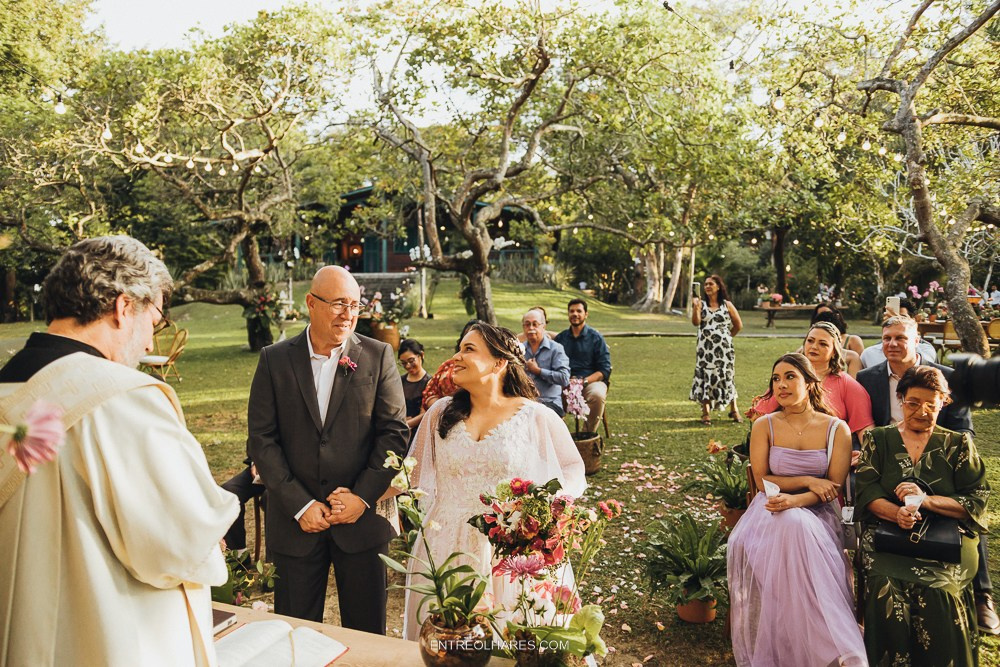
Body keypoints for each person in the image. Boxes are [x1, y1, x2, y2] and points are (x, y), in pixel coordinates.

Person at [0, 236, 238, 665]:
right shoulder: (121, 399)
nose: (150, 344)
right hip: (104, 642)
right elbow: (180, 543)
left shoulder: (8, 391)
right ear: (124, 307)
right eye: (155, 322)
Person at [247, 266, 408, 632]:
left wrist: (362, 497)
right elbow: (261, 438)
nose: (348, 314)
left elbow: (393, 434)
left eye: (355, 305)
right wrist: (300, 504)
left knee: (367, 635)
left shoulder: (378, 356)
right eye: (338, 304)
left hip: (362, 523)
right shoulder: (274, 360)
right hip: (296, 523)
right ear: (311, 303)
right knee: (296, 634)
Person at [403, 322, 586, 640]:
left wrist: (543, 512)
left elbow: (572, 470)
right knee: (447, 644)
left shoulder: (536, 417)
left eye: (468, 349)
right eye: (458, 348)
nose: (456, 357)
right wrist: (359, 496)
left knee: (514, 639)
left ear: (500, 362)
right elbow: (410, 473)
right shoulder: (440, 412)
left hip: (510, 549)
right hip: (446, 543)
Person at [856, 314, 997, 635]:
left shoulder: (948, 378)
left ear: (917, 341)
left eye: (900, 338)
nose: (892, 344)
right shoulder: (867, 378)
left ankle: (982, 597)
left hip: (939, 464)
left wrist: (929, 454)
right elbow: (862, 424)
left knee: (966, 513)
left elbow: (964, 431)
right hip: (886, 460)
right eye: (886, 338)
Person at [727, 353, 866, 667]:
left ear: (809, 381)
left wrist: (798, 500)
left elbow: (831, 487)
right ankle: (832, 649)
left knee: (797, 524)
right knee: (790, 522)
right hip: (769, 511)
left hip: (819, 514)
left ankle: (815, 645)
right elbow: (763, 481)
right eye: (776, 378)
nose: (781, 385)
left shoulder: (837, 429)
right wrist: (805, 481)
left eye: (790, 376)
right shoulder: (765, 426)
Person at [752, 322, 874, 441]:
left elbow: (864, 427)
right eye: (810, 341)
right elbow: (760, 417)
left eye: (823, 344)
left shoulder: (846, 383)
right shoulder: (786, 377)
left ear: (834, 352)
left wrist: (867, 455)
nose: (814, 347)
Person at [689, 274, 743, 425]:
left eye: (710, 284)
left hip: (724, 350)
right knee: (706, 375)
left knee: (727, 376)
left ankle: (734, 410)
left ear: (718, 286)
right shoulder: (701, 304)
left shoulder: (727, 305)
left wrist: (726, 337)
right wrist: (695, 307)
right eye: (705, 284)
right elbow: (696, 323)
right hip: (705, 350)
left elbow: (738, 325)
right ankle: (705, 412)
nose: (707, 287)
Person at [555, 299, 612, 433]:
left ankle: (588, 435)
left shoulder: (596, 338)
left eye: (579, 311)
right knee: (547, 394)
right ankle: (559, 435)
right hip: (564, 383)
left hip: (590, 381)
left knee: (597, 395)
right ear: (568, 314)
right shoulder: (561, 339)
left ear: (586, 314)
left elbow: (604, 369)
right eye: (571, 311)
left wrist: (583, 382)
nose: (575, 314)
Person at [520, 307, 570, 416]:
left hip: (550, 403)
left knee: (536, 415)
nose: (531, 328)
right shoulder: (519, 350)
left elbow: (564, 378)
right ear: (523, 327)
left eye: (535, 324)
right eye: (527, 324)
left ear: (543, 326)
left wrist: (538, 371)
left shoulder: (556, 349)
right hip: (525, 402)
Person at [858, 299, 935, 368]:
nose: (895, 321)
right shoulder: (869, 354)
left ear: (913, 320)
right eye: (890, 318)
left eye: (902, 317)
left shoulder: (926, 349)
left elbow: (925, 364)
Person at [422, 319, 480, 410]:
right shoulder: (447, 365)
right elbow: (430, 393)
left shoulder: (485, 373)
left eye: (470, 347)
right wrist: (442, 408)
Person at [398, 338, 430, 434]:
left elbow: (426, 414)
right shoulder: (399, 381)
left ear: (421, 355)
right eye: (403, 363)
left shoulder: (429, 382)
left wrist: (406, 425)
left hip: (418, 431)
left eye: (411, 361)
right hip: (400, 428)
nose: (408, 366)